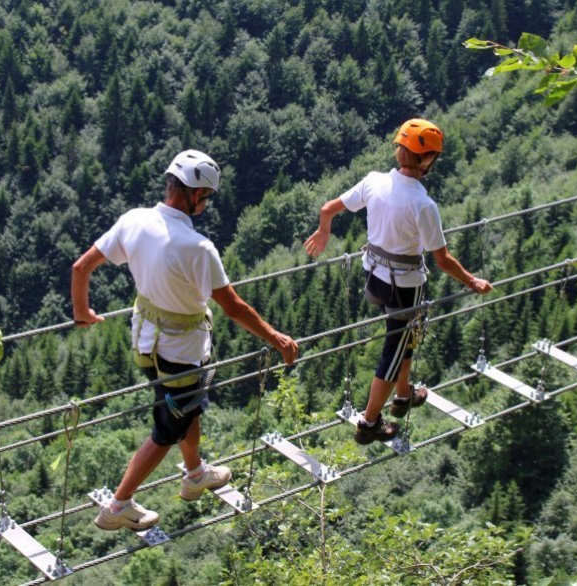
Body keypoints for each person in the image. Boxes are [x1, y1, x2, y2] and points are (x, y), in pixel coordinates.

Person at [72, 149, 298, 531]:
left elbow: (81, 267)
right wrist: (276, 338)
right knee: (167, 428)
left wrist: (82, 312)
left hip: (145, 344)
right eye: (206, 196)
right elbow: (234, 307)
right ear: (196, 194)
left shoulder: (135, 220)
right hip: (181, 352)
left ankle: (195, 474)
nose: (205, 203)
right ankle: (118, 506)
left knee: (185, 408)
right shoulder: (197, 248)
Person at [304, 118, 493, 444]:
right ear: (427, 160)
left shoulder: (374, 181)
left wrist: (324, 230)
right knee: (395, 348)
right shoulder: (423, 205)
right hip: (404, 286)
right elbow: (442, 260)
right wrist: (472, 281)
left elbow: (327, 209)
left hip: (374, 276)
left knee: (404, 338)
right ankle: (369, 422)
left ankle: (403, 395)